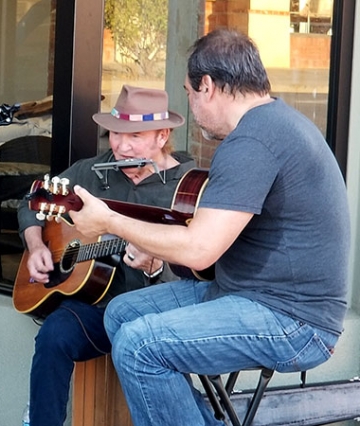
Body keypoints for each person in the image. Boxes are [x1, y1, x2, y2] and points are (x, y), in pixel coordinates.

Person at [68, 29, 349, 426]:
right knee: (121, 314)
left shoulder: (253, 141)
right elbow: (211, 236)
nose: (190, 105)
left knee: (138, 345)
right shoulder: (271, 124)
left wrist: (109, 221)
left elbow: (199, 249)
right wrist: (155, 244)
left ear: (207, 86)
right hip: (247, 292)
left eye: (188, 92)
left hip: (293, 319)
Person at [17, 85, 195, 426]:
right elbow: (34, 202)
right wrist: (37, 245)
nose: (121, 147)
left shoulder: (185, 188)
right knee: (54, 335)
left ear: (162, 136)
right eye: (115, 134)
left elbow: (200, 266)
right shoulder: (92, 171)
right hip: (97, 308)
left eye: (135, 136)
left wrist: (157, 267)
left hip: (157, 314)